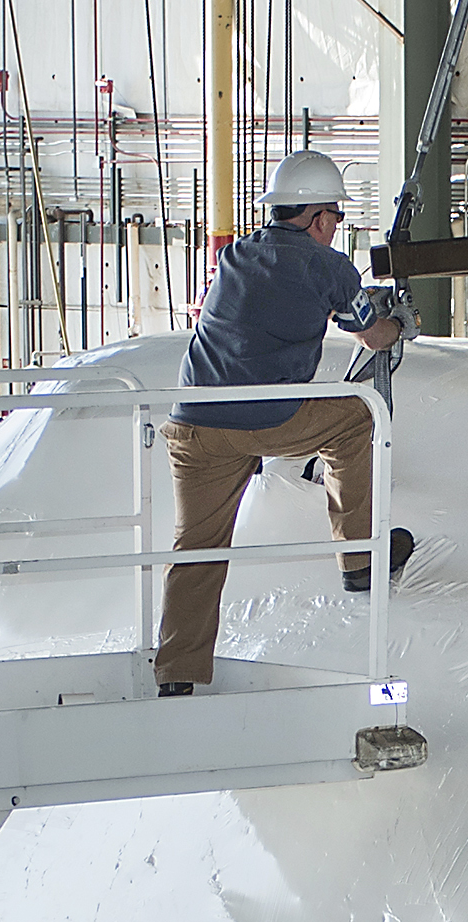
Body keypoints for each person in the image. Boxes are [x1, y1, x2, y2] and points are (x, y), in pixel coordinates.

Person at [156, 168, 414, 692]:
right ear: (317, 217)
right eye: (337, 215)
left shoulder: (235, 255)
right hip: (267, 418)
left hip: (195, 423)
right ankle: (359, 562)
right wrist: (401, 321)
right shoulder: (329, 266)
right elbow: (373, 336)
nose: (338, 224)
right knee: (359, 416)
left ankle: (177, 676)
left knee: (198, 548)